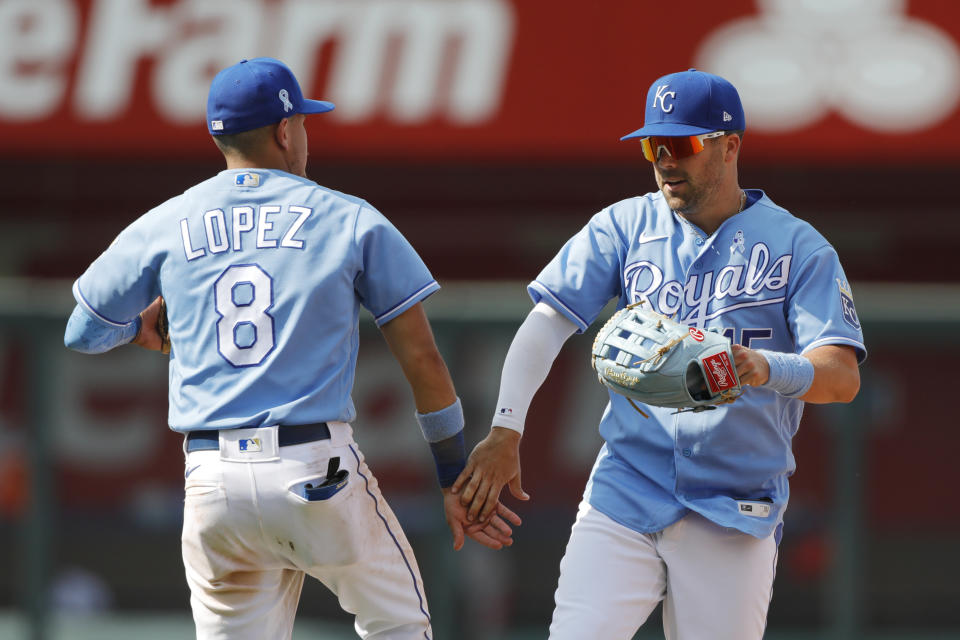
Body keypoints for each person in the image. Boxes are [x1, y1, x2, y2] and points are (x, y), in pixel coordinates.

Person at [63, 57, 519, 640]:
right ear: (284, 131)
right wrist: (453, 475)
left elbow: (83, 330)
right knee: (400, 624)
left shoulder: (167, 220)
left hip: (212, 480)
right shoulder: (348, 218)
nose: (304, 135)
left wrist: (137, 329)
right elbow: (424, 360)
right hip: (313, 469)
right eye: (302, 123)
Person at [452, 68, 866, 639]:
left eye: (684, 145)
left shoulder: (800, 246)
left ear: (729, 146)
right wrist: (506, 429)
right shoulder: (624, 226)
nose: (666, 160)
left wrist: (765, 367)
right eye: (654, 145)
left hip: (735, 504)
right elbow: (545, 324)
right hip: (627, 485)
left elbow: (841, 377)